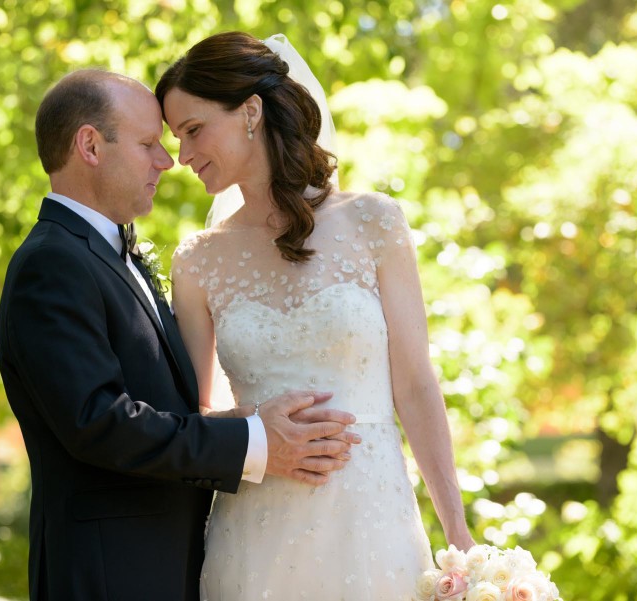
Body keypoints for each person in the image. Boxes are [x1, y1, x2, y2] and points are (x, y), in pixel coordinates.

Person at [0, 69, 361, 601]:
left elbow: (157, 403)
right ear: (90, 146)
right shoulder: (52, 263)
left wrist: (234, 420)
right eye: (148, 144)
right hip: (110, 576)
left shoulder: (108, 254)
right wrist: (257, 443)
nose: (167, 161)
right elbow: (99, 423)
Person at [155, 32, 476, 600]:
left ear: (250, 111)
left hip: (373, 524)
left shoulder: (374, 222)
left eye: (193, 130)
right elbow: (193, 416)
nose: (182, 156)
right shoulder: (198, 261)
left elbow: (416, 383)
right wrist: (252, 426)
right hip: (253, 535)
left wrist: (459, 538)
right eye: (177, 137)